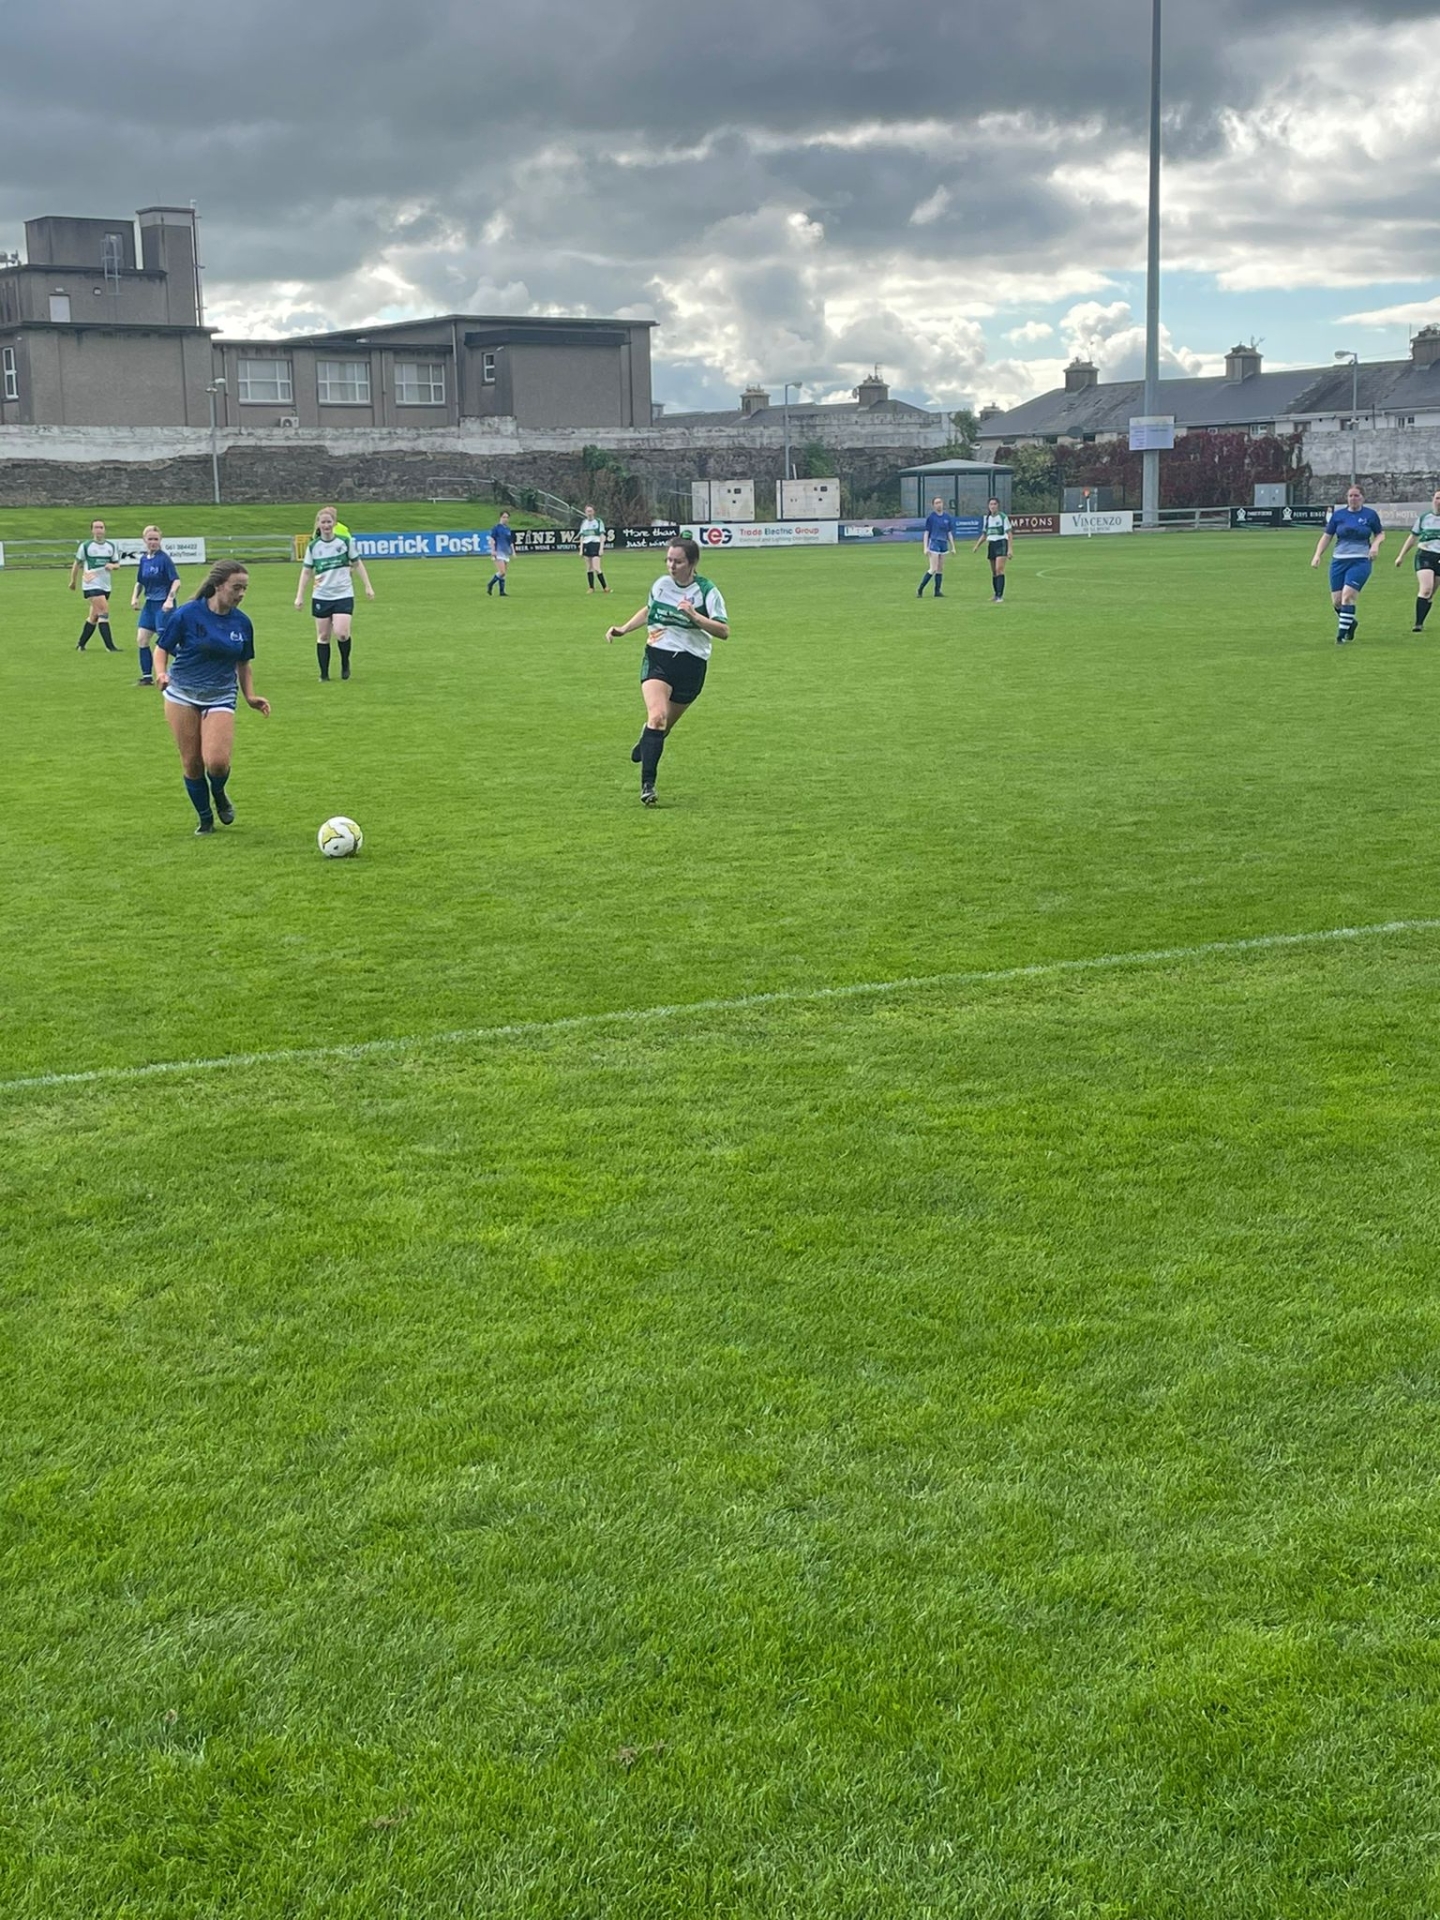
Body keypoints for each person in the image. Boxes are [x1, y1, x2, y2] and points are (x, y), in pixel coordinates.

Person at [605, 537, 729, 806]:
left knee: (662, 728)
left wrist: (695, 616)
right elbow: (650, 609)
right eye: (669, 560)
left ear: (692, 563)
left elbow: (723, 631)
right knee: (658, 717)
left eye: (678, 561)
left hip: (692, 665)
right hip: (658, 657)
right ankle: (648, 786)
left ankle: (647, 739)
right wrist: (624, 628)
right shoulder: (661, 585)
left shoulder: (707, 591)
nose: (672, 566)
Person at [154, 561, 269, 835]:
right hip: (182, 693)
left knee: (217, 762)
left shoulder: (242, 622)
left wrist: (250, 696)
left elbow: (244, 663)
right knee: (192, 762)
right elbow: (161, 648)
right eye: (236, 587)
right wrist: (161, 674)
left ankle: (218, 793)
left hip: (221, 695)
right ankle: (205, 819)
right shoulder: (188, 614)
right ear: (218, 585)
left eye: (245, 588)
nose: (241, 594)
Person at [295, 506, 374, 681]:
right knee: (323, 636)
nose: (326, 525)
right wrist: (299, 595)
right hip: (321, 595)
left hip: (343, 594)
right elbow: (306, 572)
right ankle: (324, 674)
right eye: (323, 522)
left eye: (329, 522)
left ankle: (345, 663)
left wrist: (367, 586)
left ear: (334, 523)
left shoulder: (344, 542)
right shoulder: (313, 546)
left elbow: (357, 564)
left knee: (342, 633)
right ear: (319, 524)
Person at [1310, 484, 1384, 643]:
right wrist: (1317, 555)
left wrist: (1375, 545)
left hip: (1360, 561)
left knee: (1348, 596)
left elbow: (1380, 534)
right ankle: (1351, 623)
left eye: (1356, 495)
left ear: (1362, 497)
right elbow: (1327, 536)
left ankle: (1340, 636)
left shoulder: (1370, 515)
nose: (1353, 499)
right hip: (1339, 561)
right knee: (1337, 602)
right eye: (1350, 496)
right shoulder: (1339, 515)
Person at [129, 525, 181, 686]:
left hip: (163, 606)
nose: (153, 542)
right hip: (150, 605)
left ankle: (191, 661)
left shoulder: (164, 559)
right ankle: (146, 677)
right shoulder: (144, 559)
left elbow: (176, 581)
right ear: (144, 540)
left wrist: (169, 599)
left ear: (160, 540)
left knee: (166, 642)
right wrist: (135, 597)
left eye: (156, 539)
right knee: (142, 639)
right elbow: (140, 581)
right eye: (150, 539)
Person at [68, 518, 121, 651]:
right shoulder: (86, 546)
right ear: (92, 530)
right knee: (104, 611)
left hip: (105, 585)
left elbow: (117, 564)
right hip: (91, 583)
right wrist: (73, 581)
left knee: (94, 616)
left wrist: (112, 566)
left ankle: (81, 645)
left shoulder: (111, 546)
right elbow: (77, 564)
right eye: (96, 527)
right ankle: (110, 647)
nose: (99, 530)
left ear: (104, 530)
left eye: (101, 527)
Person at [1392, 488, 1440, 631]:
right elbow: (1412, 537)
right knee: (1426, 589)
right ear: (1433, 500)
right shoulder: (1425, 517)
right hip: (1425, 555)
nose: (1439, 501)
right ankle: (1417, 624)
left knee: (1430, 594)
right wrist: (1401, 556)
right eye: (1437, 498)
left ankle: (1421, 620)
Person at [973, 497, 1013, 601]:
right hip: (991, 544)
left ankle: (1000, 596)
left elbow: (1009, 533)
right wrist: (977, 546)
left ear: (998, 505)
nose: (993, 506)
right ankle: (995, 594)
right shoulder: (987, 518)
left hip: (1001, 543)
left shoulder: (1003, 517)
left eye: (995, 504)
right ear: (988, 506)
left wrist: (1010, 549)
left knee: (999, 569)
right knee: (994, 571)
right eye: (991, 504)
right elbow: (984, 534)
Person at [917, 495, 956, 597]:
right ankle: (920, 589)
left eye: (940, 502)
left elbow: (949, 533)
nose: (939, 505)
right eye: (936, 503)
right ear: (933, 505)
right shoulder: (931, 518)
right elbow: (927, 533)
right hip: (934, 543)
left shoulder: (947, 517)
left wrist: (953, 547)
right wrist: (925, 547)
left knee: (940, 569)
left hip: (943, 544)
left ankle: (937, 591)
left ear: (943, 504)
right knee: (933, 568)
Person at [576, 503, 610, 593]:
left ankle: (605, 587)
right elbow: (582, 537)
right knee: (589, 568)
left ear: (593, 512)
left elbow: (602, 535)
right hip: (586, 545)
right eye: (588, 511)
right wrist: (581, 550)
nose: (589, 513)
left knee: (596, 567)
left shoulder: (598, 521)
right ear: (585, 512)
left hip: (595, 544)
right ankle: (591, 588)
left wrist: (601, 548)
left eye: (590, 511)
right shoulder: (584, 522)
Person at [487, 509, 515, 595]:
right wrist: (493, 550)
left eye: (507, 517)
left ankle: (501, 591)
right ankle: (490, 584)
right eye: (504, 517)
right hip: (498, 552)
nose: (505, 519)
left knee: (503, 573)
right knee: (502, 572)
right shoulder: (496, 528)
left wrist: (513, 551)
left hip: (505, 552)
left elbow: (510, 542)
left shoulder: (508, 529)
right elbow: (492, 539)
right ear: (500, 517)